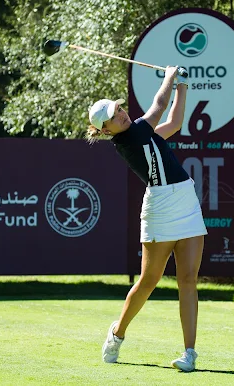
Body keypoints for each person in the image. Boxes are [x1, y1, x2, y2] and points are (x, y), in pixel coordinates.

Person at [86, 66, 207, 372]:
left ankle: (189, 353)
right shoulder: (128, 139)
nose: (121, 115)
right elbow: (158, 107)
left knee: (188, 280)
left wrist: (183, 86)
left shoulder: (141, 133)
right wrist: (168, 76)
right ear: (105, 130)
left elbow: (175, 123)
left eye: (120, 109)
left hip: (185, 199)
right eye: (114, 117)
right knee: (149, 281)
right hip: (160, 208)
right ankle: (117, 333)